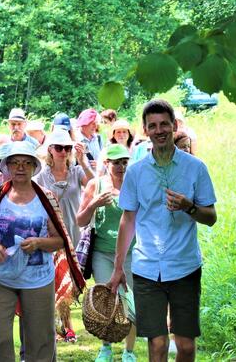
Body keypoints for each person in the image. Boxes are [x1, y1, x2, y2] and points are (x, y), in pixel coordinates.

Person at [107, 99, 217, 362]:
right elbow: (128, 220)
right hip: (147, 269)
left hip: (185, 267)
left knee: (186, 346)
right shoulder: (136, 172)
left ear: (174, 125)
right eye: (152, 126)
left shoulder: (195, 168)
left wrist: (189, 207)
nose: (159, 130)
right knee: (156, 345)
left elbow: (211, 217)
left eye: (164, 124)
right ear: (145, 131)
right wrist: (118, 267)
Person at [0, 141, 85, 362]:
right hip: (0, 278)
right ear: (6, 167)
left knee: (40, 340)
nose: (20, 167)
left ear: (35, 167)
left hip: (37, 279)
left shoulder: (46, 198)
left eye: (26, 162)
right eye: (14, 163)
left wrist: (38, 243)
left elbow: (60, 240)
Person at [77, 144, 137, 362]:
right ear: (106, 164)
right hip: (102, 253)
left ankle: (129, 352)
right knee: (107, 300)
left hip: (131, 253)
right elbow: (80, 220)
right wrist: (95, 203)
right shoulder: (96, 184)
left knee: (130, 302)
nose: (121, 167)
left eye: (124, 162)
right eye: (116, 162)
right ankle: (106, 348)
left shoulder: (134, 185)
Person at [33, 128, 92, 343]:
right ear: (50, 149)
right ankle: (65, 327)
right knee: (59, 280)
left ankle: (61, 325)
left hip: (75, 231)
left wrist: (84, 161)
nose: (63, 152)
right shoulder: (41, 176)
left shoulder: (76, 172)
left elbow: (96, 185)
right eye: (59, 148)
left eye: (67, 148)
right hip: (54, 233)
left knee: (71, 282)